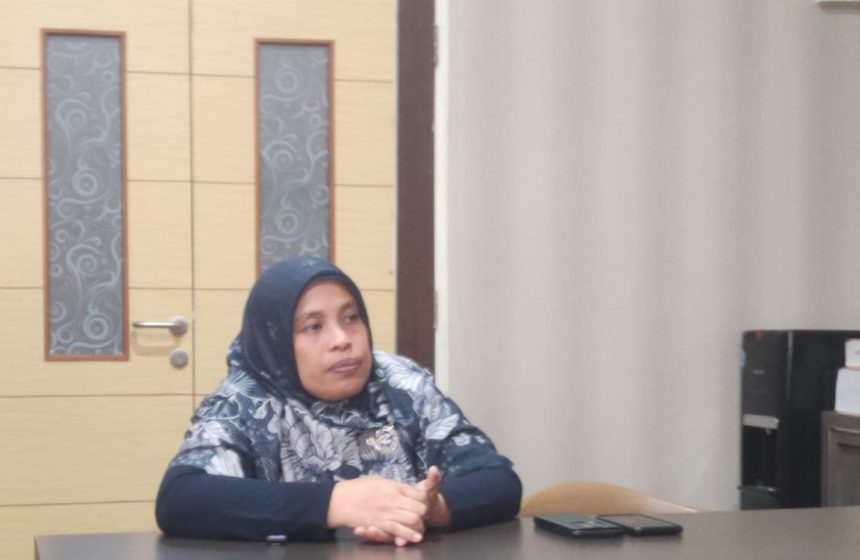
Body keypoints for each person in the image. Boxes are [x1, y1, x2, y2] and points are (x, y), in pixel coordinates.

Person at [155, 256, 521, 545]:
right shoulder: (245, 399)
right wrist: (336, 503)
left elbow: (499, 480)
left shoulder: (400, 382)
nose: (342, 339)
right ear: (275, 342)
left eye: (351, 318)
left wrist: (431, 508)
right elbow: (181, 500)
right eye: (314, 327)